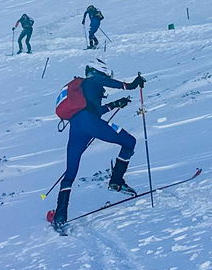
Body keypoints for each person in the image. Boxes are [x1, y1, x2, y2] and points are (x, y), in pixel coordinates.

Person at [48, 66, 145, 234]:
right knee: (129, 142)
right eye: (106, 74)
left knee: (70, 172)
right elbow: (106, 86)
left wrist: (115, 104)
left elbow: (95, 110)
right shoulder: (93, 80)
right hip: (89, 123)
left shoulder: (83, 89)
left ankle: (60, 216)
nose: (107, 77)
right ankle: (116, 181)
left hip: (77, 127)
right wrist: (131, 85)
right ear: (99, 72)